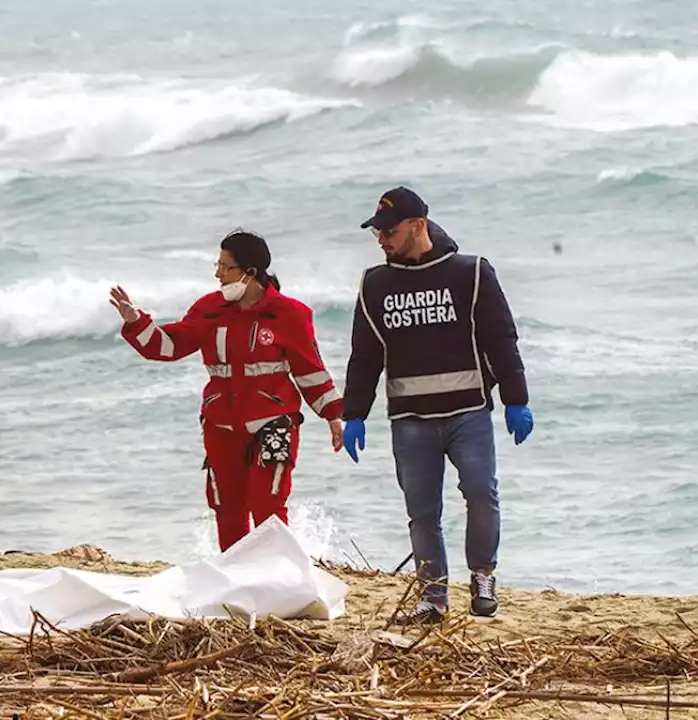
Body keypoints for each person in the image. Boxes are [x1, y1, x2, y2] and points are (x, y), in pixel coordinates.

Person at [341, 186, 533, 624]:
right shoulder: (376, 284)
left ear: (418, 226)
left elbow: (501, 340)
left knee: (482, 494)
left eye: (389, 230)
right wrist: (353, 413)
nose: (382, 239)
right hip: (409, 419)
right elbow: (365, 354)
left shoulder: (472, 273)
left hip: (468, 411)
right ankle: (432, 595)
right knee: (422, 512)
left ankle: (483, 575)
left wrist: (515, 399)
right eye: (377, 232)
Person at [109, 229, 346, 552]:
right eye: (217, 264)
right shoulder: (209, 308)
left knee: (268, 508)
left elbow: (310, 371)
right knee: (227, 510)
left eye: (225, 266)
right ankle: (237, 586)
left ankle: (280, 582)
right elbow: (169, 346)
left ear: (249, 272)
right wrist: (136, 322)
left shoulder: (290, 314)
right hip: (221, 425)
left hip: (274, 422)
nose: (217, 273)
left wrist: (334, 416)